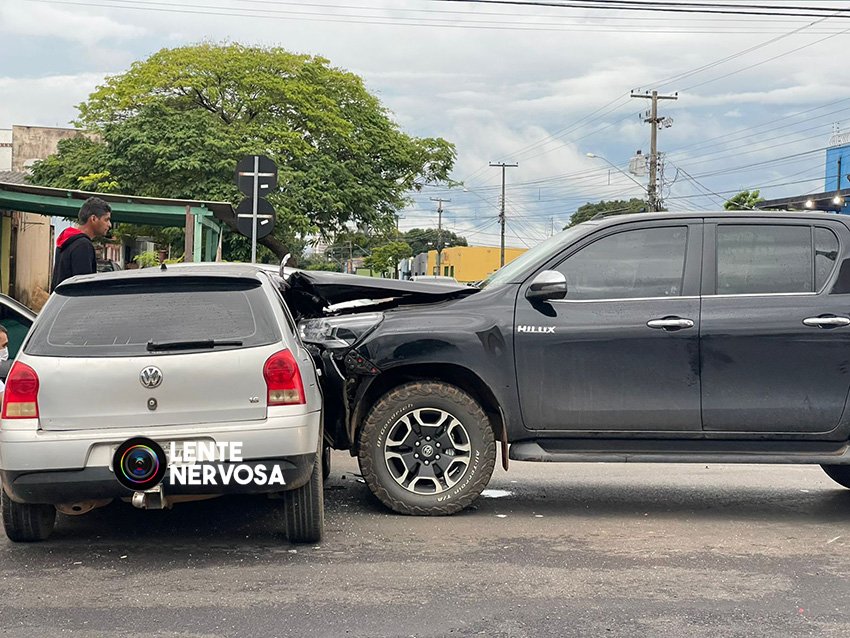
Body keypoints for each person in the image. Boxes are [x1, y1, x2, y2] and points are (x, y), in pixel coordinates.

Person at [51, 197, 112, 291]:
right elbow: (84, 288)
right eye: (106, 219)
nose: (109, 225)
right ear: (93, 219)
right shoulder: (83, 245)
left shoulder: (67, 240)